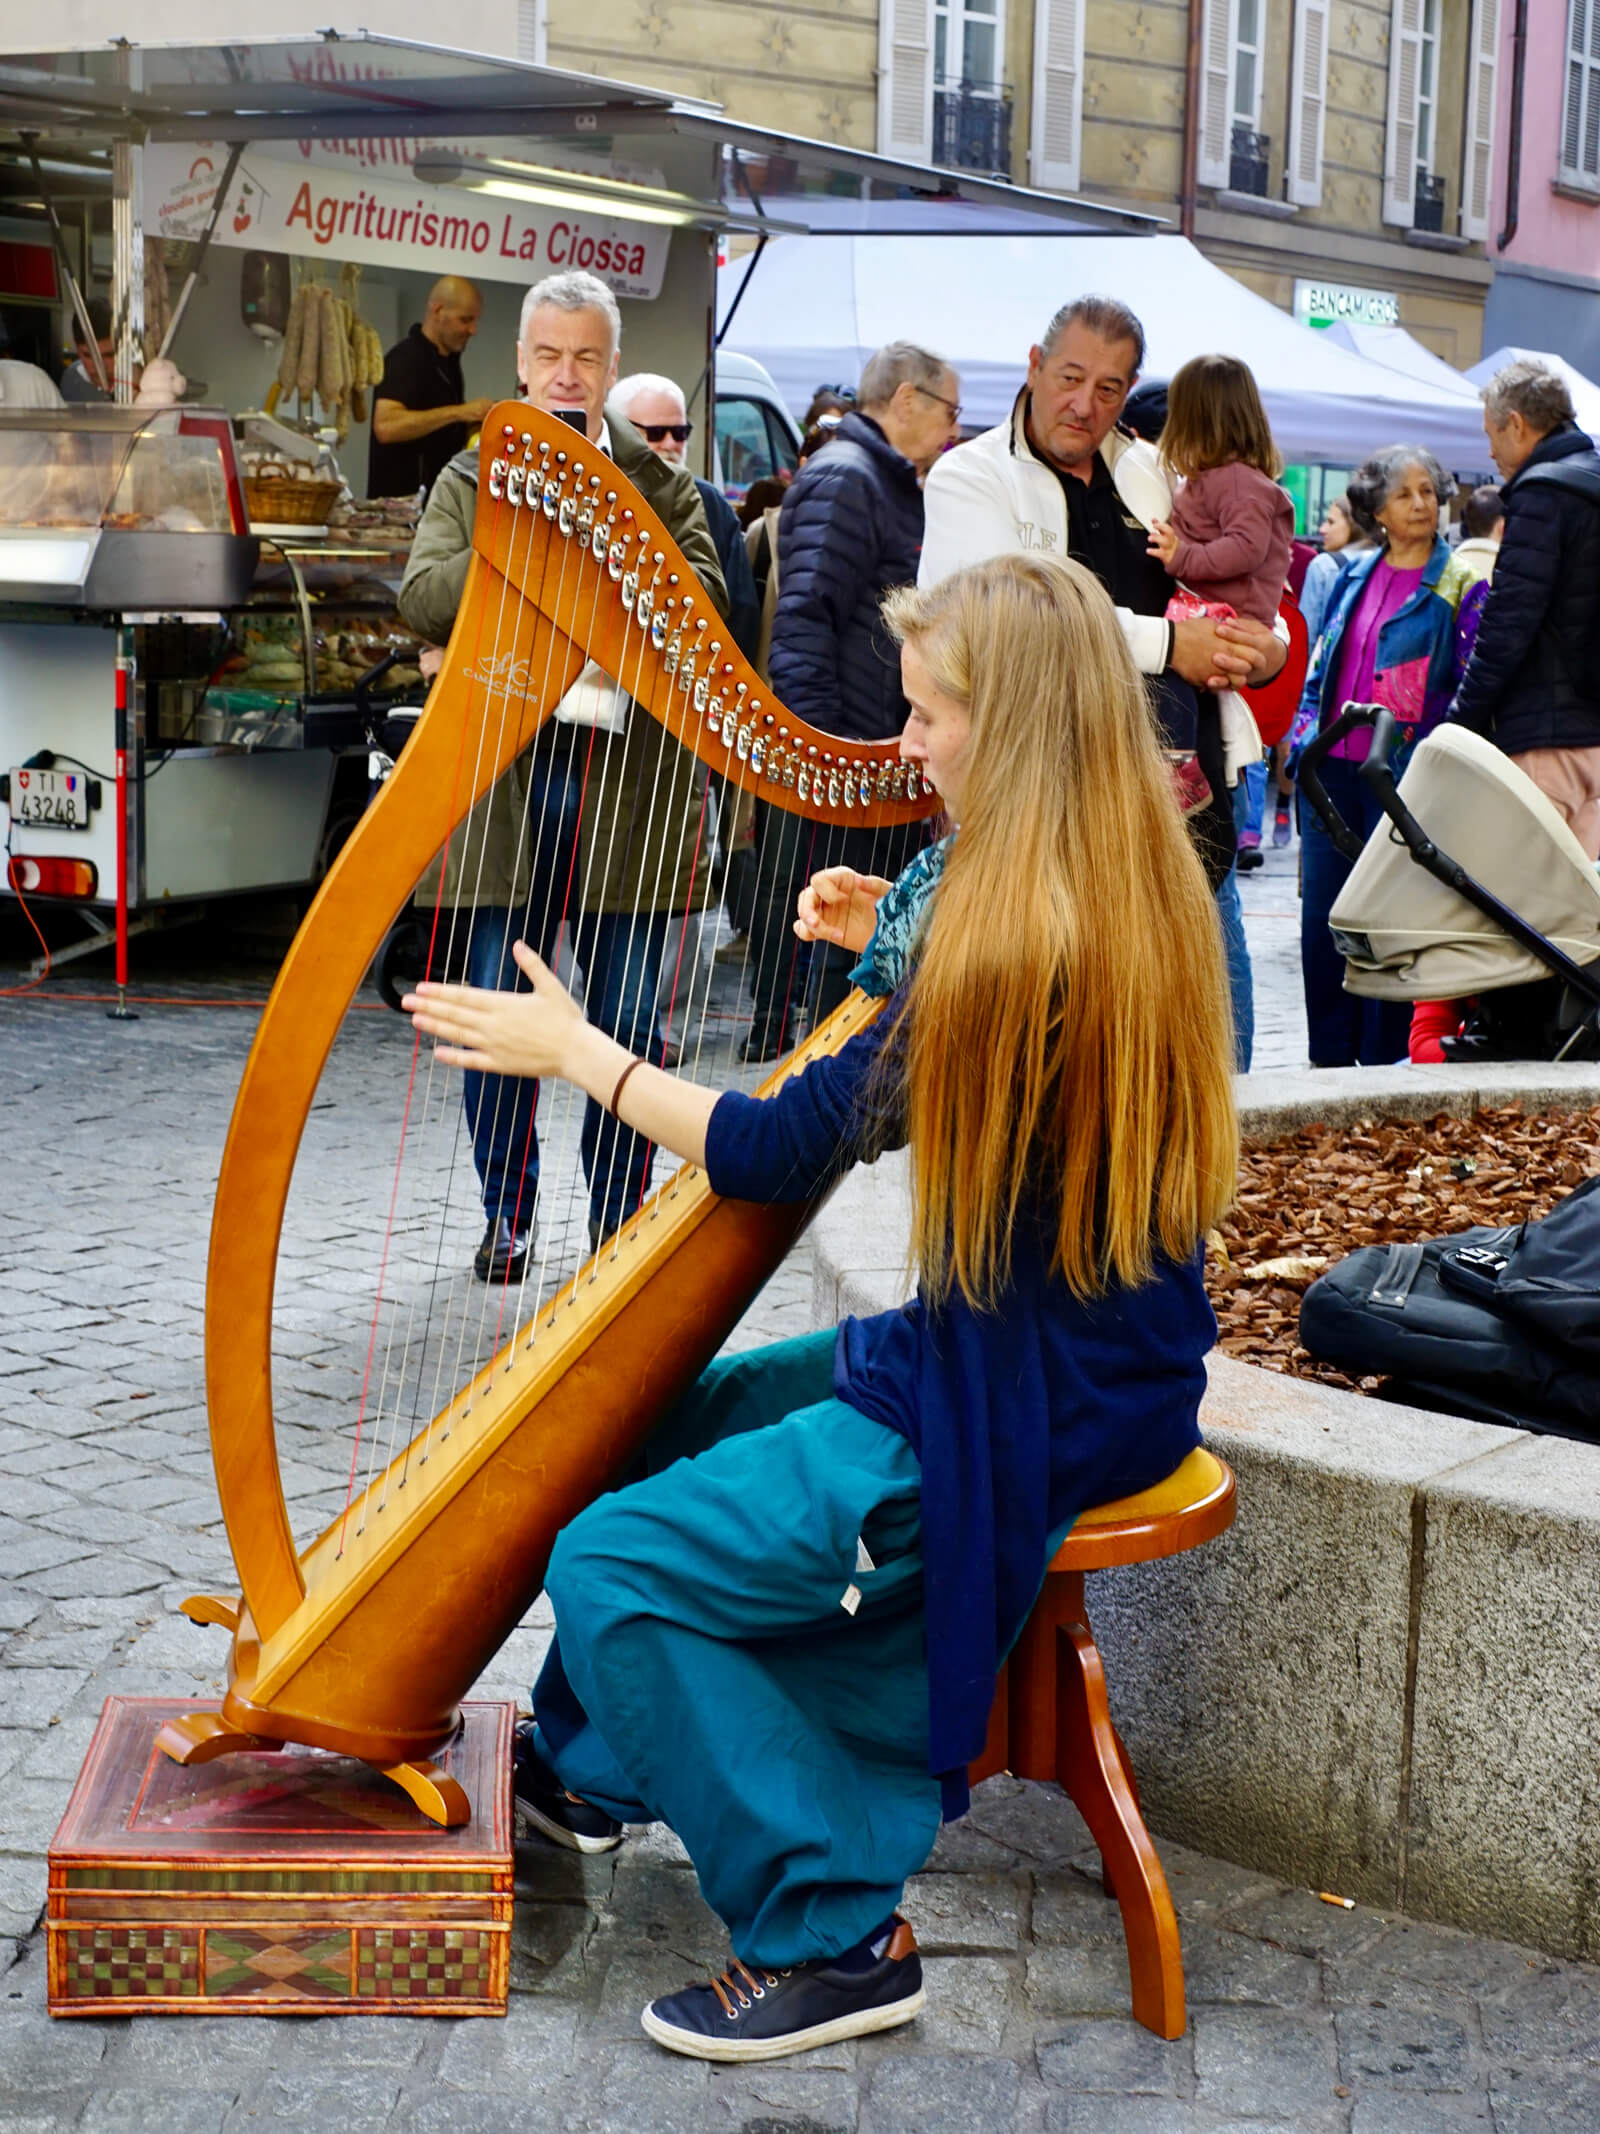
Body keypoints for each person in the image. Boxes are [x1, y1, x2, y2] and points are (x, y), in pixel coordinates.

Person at [403, 548, 1236, 2065]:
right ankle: (602, 1767)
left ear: (1022, 730)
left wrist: (574, 1046)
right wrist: (880, 945)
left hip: (1020, 1395)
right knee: (662, 1418)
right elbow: (968, 1068)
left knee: (610, 1558)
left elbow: (780, 1145)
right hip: (1058, 1344)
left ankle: (833, 1932)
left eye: (930, 717)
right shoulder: (1107, 871)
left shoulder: (1018, 935)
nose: (902, 745)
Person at [398, 268, 727, 1280]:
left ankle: (614, 1226)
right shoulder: (470, 478)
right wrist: (523, 545)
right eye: (549, 356)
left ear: (612, 365)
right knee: (494, 1006)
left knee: (627, 1020)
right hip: (506, 786)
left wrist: (601, 570)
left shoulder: (662, 482)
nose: (567, 374)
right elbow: (422, 600)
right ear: (520, 364)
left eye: (587, 356)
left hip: (629, 788)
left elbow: (708, 601)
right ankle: (508, 1214)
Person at [918, 293, 1288, 1074]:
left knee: (1223, 1066)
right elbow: (995, 629)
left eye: (1111, 388)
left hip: (1189, 822)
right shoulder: (969, 478)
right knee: (1072, 1068)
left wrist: (1271, 647)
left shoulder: (1158, 473)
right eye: (1071, 377)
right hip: (1046, 828)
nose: (1085, 405)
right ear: (1034, 365)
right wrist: (1170, 643)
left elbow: (1259, 570)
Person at [744, 342, 960, 1060]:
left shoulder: (879, 478)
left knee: (866, 948)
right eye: (949, 412)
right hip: (850, 765)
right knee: (842, 956)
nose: (953, 430)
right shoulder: (847, 476)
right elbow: (805, 623)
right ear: (905, 401)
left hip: (875, 760)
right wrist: (831, 761)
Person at [1286, 446, 1471, 1066]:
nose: (1422, 503)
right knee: (1326, 917)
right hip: (1332, 768)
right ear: (1378, 511)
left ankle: (1385, 1062)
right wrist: (1305, 739)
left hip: (1402, 776)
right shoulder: (1353, 573)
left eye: (1429, 490)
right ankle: (1328, 1059)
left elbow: (1466, 683)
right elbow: (1322, 664)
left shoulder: (1457, 581)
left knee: (1391, 921)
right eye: (1405, 494)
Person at [1450, 360, 1600, 859]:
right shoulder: (1592, 481)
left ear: (1517, 423)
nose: (1491, 451)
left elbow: (1507, 623)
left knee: (1529, 916)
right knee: (1584, 923)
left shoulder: (1543, 494)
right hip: (1593, 741)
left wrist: (1458, 724)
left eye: (1492, 434)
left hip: (1545, 739)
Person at [1147, 353, 1294, 821]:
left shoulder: (1238, 482)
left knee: (1167, 673)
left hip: (1227, 615)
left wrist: (1182, 556)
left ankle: (1181, 774)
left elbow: (1246, 548)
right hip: (1217, 612)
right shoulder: (1217, 480)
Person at [611, 371, 761, 660]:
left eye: (680, 433)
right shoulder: (602, 491)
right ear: (622, 432)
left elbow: (741, 614)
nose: (670, 444)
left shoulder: (712, 504)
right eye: (656, 433)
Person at [368, 275, 493, 502]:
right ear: (437, 310)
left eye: (475, 320)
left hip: (435, 506)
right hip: (400, 511)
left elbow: (439, 430)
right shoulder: (405, 359)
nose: (473, 330)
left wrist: (475, 423)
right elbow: (386, 427)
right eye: (465, 320)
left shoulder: (449, 364)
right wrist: (460, 412)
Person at [59, 297, 115, 403]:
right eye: (88, 355)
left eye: (109, 355)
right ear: (77, 348)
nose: (100, 367)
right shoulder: (71, 379)